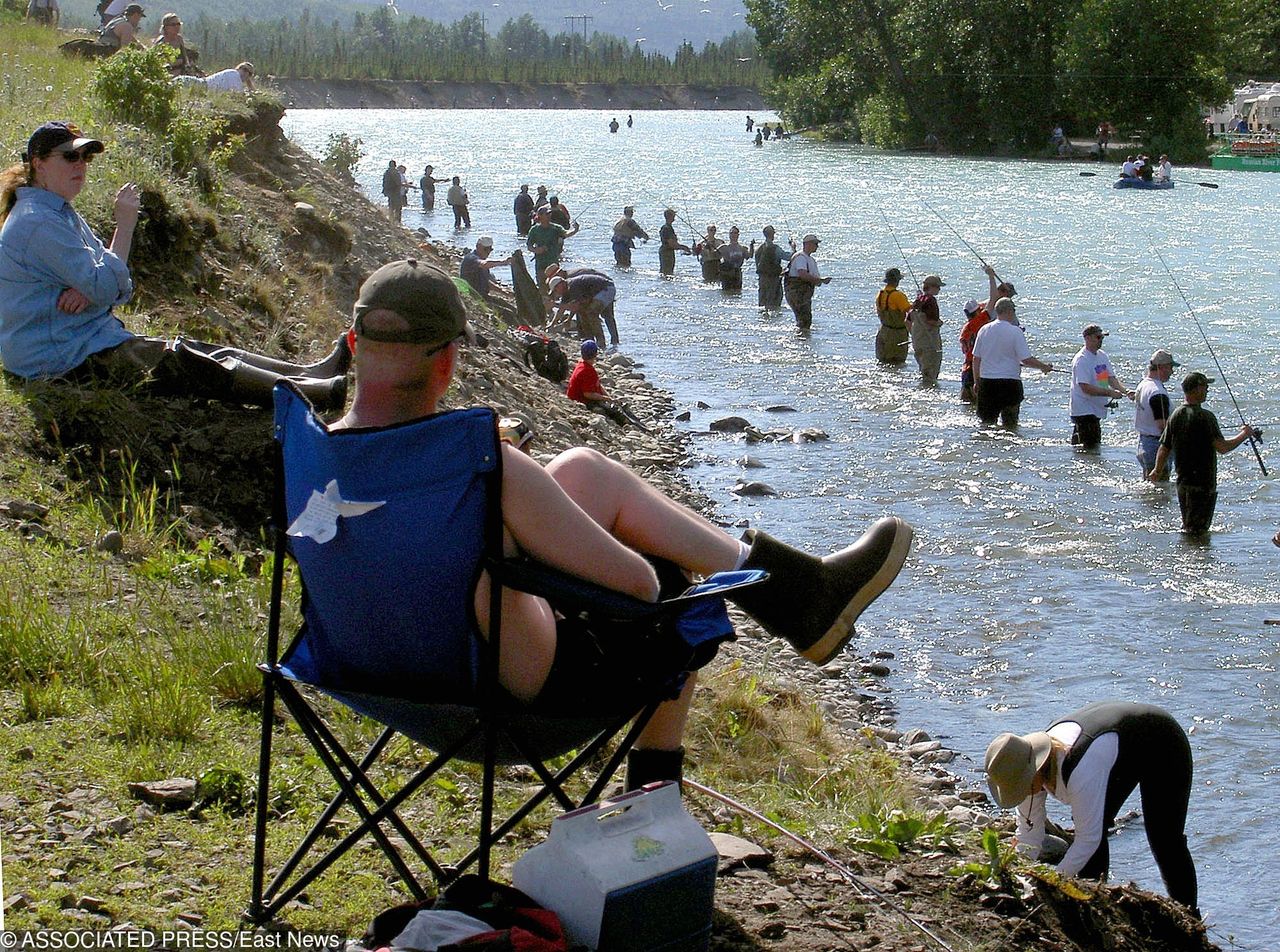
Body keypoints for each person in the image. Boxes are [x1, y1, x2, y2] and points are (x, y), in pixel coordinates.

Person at [332, 258, 915, 788]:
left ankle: (796, 595)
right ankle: (653, 792)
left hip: (376, 672)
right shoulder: (482, 466)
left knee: (581, 469)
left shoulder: (316, 457)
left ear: (355, 343)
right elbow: (635, 586)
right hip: (499, 693)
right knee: (672, 586)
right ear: (450, 358)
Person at [0, 121, 348, 410]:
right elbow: (111, 284)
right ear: (39, 163)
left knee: (201, 351)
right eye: (70, 156)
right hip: (57, 357)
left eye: (86, 157)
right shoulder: (38, 222)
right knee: (182, 361)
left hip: (78, 338)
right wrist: (124, 228)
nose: (81, 165)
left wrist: (90, 290)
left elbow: (115, 283)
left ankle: (309, 373)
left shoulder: (55, 212)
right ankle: (314, 395)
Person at [985, 702, 1199, 913]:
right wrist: (1020, 876)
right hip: (1119, 748)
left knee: (1165, 840)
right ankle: (1096, 906)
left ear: (1037, 768)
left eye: (1022, 787)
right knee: (1097, 829)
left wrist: (1052, 882)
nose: (1021, 793)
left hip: (1161, 742)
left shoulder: (1080, 769)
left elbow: (1088, 840)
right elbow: (1029, 835)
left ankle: (1190, 918)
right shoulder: (1020, 767)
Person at [1146, 372, 1258, 536]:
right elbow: (1223, 447)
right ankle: (1194, 558)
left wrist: (1157, 470)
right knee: (1199, 532)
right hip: (1203, 484)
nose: (1207, 390)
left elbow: (1164, 448)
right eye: (1205, 387)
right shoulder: (1206, 417)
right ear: (1197, 389)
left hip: (1183, 483)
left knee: (1189, 527)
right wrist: (1244, 434)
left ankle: (1189, 554)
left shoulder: (1175, 415)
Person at [971, 298, 1053, 427]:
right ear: (1009, 311)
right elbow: (1026, 359)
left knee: (986, 424)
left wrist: (977, 381)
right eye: (1014, 310)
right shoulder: (1015, 331)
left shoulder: (984, 330)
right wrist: (1044, 367)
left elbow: (976, 358)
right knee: (1010, 425)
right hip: (1010, 383)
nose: (1014, 313)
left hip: (987, 383)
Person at [1068, 324, 1131, 449]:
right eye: (1098, 337)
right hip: (1083, 411)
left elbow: (1109, 379)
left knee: (1090, 447)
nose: (1101, 340)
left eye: (1102, 338)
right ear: (1087, 338)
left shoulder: (1102, 356)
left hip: (1096, 410)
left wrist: (1126, 392)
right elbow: (1085, 388)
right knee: (1090, 447)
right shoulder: (1082, 360)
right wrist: (1110, 393)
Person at [1134, 349, 1179, 476]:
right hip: (1156, 447)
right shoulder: (1158, 392)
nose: (1172, 372)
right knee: (1161, 490)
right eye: (1170, 367)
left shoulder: (1144, 384)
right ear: (1161, 367)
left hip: (1143, 444)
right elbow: (1162, 426)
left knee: (1151, 488)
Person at [547, 272, 615, 348]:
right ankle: (590, 339)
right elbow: (562, 309)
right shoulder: (566, 291)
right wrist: (552, 324)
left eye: (556, 290)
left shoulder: (573, 286)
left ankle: (601, 342)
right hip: (594, 294)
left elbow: (575, 306)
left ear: (560, 284)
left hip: (606, 288)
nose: (557, 293)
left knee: (591, 312)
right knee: (582, 312)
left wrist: (555, 305)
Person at [526, 206, 579, 289]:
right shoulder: (534, 230)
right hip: (540, 264)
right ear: (540, 216)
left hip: (553, 263)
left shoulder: (556, 228)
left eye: (550, 213)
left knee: (555, 287)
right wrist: (537, 250)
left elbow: (566, 234)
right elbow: (529, 246)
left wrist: (575, 230)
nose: (549, 215)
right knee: (542, 287)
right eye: (547, 214)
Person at [785, 234, 829, 330]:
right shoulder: (800, 257)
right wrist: (820, 280)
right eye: (815, 244)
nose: (817, 246)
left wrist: (820, 281)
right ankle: (802, 341)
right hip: (797, 294)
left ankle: (802, 339)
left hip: (805, 295)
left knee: (805, 320)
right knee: (804, 320)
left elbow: (815, 279)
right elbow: (803, 274)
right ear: (807, 244)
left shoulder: (811, 260)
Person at [907, 274, 945, 384]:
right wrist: (939, 323)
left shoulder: (918, 301)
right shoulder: (931, 301)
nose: (939, 289)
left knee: (924, 373)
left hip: (918, 343)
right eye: (938, 287)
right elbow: (931, 320)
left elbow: (907, 320)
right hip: (930, 344)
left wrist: (914, 335)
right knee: (931, 376)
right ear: (931, 287)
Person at [874, 267, 911, 363]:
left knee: (883, 362)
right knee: (897, 363)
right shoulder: (898, 295)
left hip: (883, 332)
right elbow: (910, 311)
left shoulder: (880, 294)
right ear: (897, 281)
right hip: (897, 334)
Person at [459, 237, 511, 303]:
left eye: (490, 249)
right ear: (478, 247)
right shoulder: (471, 258)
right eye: (486, 249)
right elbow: (484, 264)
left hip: (482, 295)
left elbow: (485, 281)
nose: (488, 252)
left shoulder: (481, 260)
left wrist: (502, 291)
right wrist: (503, 262)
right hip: (472, 297)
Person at [958, 299, 991, 403]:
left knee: (967, 403)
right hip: (977, 367)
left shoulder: (965, 329)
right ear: (977, 312)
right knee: (980, 402)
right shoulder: (980, 320)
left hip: (966, 369)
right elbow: (992, 302)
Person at [151, 13, 198, 77]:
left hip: (183, 73)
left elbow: (185, 58)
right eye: (173, 25)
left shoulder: (179, 39)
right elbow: (158, 64)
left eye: (178, 24)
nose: (177, 27)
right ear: (166, 27)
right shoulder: (161, 42)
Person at [754, 225, 788, 309]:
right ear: (772, 235)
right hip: (773, 280)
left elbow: (757, 265)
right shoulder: (776, 249)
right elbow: (788, 257)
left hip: (762, 280)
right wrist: (794, 249)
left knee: (762, 304)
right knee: (774, 304)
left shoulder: (758, 249)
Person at [658, 209, 690, 277]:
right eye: (673, 215)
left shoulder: (668, 227)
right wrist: (683, 247)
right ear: (670, 216)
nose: (675, 216)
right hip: (666, 253)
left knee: (667, 272)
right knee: (667, 273)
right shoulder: (667, 228)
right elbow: (671, 244)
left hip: (667, 252)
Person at [717, 227, 748, 292]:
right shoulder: (723, 247)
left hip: (737, 273)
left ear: (738, 235)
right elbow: (713, 254)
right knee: (726, 292)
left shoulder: (742, 248)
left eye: (735, 233)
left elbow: (748, 256)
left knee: (737, 292)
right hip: (727, 274)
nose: (733, 235)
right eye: (731, 233)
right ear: (729, 235)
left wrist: (751, 246)